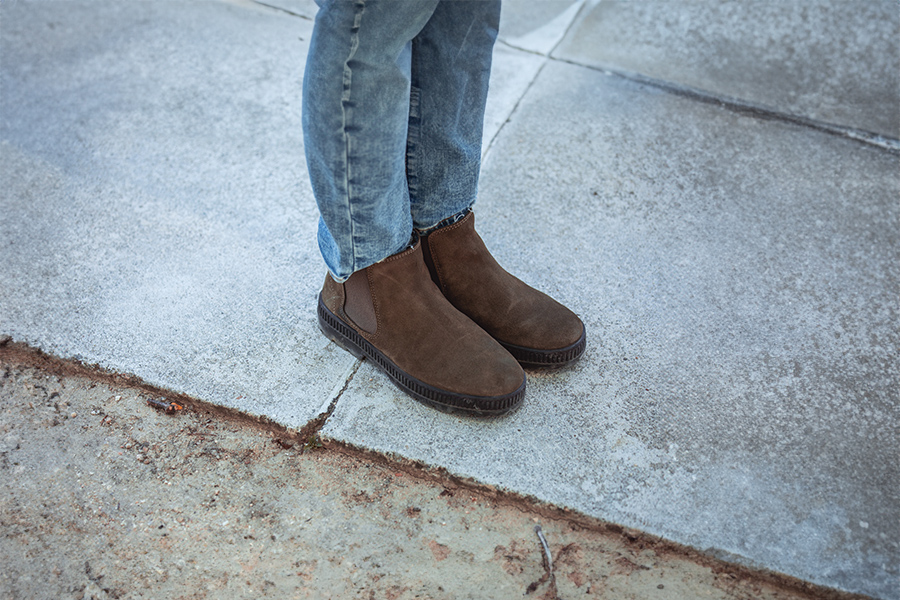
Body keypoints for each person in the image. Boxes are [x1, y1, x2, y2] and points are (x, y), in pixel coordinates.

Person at [303, 0, 585, 416]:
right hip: (369, 273)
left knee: (462, 15)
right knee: (375, 13)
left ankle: (440, 236)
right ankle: (368, 273)